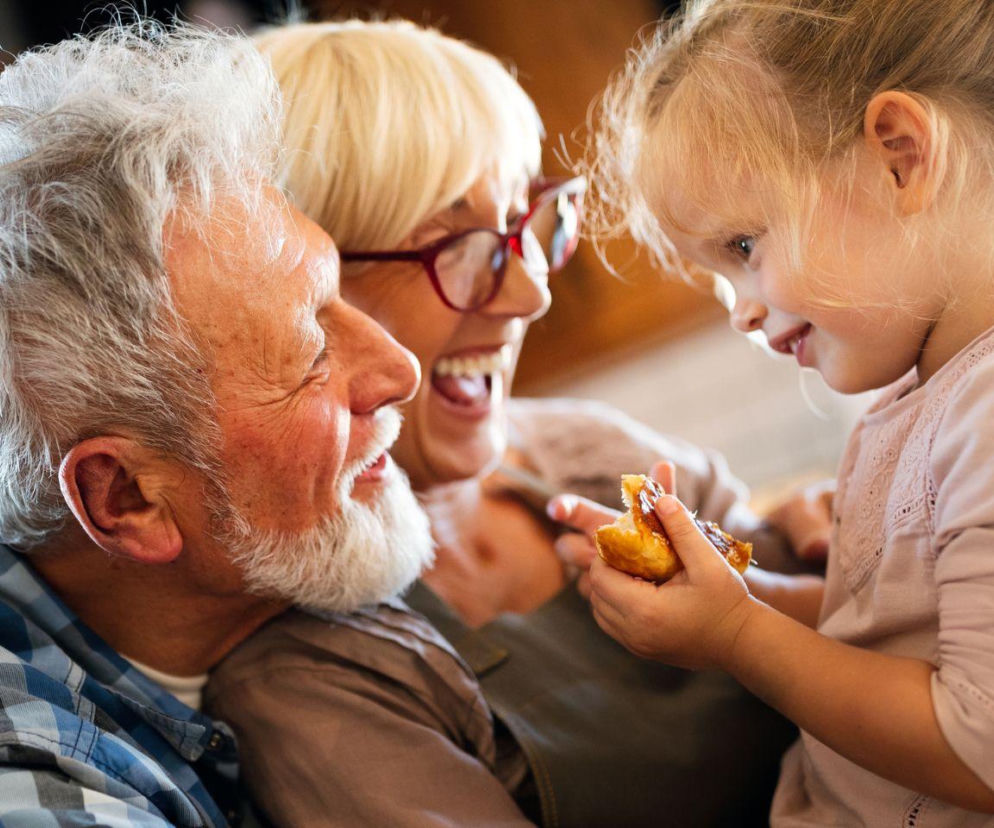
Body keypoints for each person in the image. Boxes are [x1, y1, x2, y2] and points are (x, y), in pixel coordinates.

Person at [206, 19, 823, 827]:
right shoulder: (312, 679)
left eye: (528, 227)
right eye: (459, 248)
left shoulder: (580, 450)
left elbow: (827, 604)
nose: (531, 293)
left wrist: (844, 539)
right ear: (305, 293)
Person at [0, 20, 434, 825]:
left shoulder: (309, 534)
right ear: (125, 497)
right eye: (310, 351)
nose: (398, 369)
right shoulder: (40, 781)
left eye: (342, 296)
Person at [579, 0, 994, 824]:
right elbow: (892, 633)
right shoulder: (924, 401)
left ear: (900, 160)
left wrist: (738, 636)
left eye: (742, 248)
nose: (740, 310)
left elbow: (977, 747)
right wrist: (745, 598)